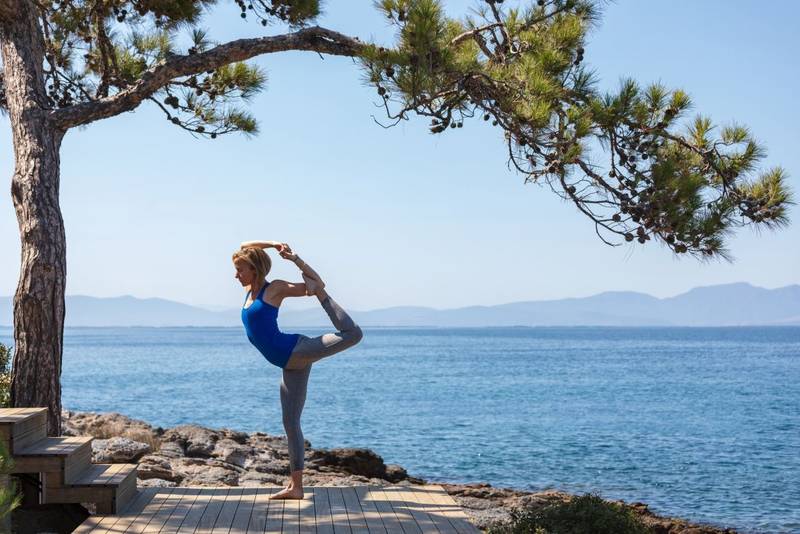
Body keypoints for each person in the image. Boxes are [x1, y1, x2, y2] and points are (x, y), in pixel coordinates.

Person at [233, 241, 364, 500]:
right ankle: (297, 488)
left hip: (298, 350)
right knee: (290, 423)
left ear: (255, 269)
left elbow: (317, 284)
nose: (236, 275)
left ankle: (330, 306)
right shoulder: (250, 290)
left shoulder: (275, 289)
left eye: (240, 270)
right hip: (289, 365)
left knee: (353, 334)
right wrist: (272, 244)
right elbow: (245, 245)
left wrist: (296, 259)